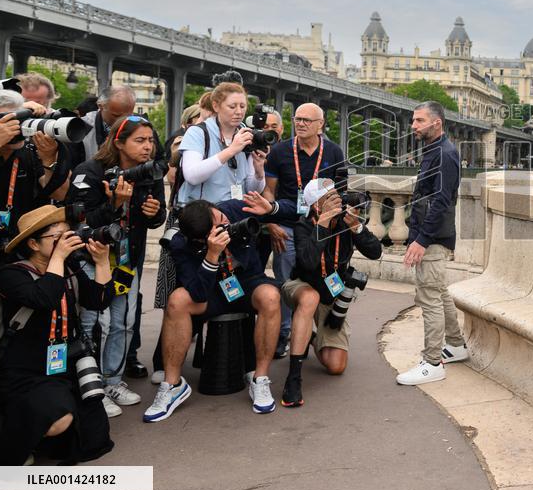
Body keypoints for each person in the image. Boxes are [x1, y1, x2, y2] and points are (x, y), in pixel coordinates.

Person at [142, 194, 287, 422]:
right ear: (199, 239)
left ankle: (260, 379)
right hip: (211, 291)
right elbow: (197, 293)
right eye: (216, 228)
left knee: (270, 296)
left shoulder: (235, 208)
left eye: (220, 217)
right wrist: (211, 255)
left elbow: (292, 212)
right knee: (177, 300)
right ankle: (172, 385)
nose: (224, 225)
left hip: (246, 283)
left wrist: (271, 210)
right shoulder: (181, 242)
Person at [0, 205, 115, 465]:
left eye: (67, 233)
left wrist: (102, 261)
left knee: (95, 436)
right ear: (34, 244)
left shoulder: (69, 269)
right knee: (60, 418)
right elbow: (45, 298)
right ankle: (10, 435)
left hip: (62, 365)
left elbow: (100, 299)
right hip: (25, 370)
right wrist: (58, 258)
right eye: (57, 237)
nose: (66, 240)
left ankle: (38, 435)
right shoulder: (11, 274)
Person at [66, 115, 166, 416]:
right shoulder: (90, 172)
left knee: (123, 324)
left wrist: (154, 212)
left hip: (127, 262)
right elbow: (79, 222)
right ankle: (90, 384)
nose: (148, 147)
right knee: (94, 323)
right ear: (119, 142)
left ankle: (112, 380)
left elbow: (156, 221)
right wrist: (115, 205)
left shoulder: (150, 174)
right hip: (92, 259)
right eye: (140, 140)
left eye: (150, 140)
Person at [280, 180, 381, 406]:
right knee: (310, 297)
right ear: (316, 205)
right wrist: (323, 224)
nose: (338, 201)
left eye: (337, 195)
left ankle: (309, 336)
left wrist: (357, 227)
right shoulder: (303, 226)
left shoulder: (346, 224)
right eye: (331, 198)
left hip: (330, 296)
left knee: (336, 366)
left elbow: (375, 252)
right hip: (301, 286)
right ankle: (293, 378)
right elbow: (307, 263)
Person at [261, 103, 345, 358]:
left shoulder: (333, 151)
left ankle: (318, 332)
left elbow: (340, 193)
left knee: (319, 276)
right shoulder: (279, 151)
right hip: (285, 226)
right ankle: (285, 333)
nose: (301, 124)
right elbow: (268, 191)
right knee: (287, 281)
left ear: (321, 125)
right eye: (298, 119)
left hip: (319, 228)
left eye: (308, 120)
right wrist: (270, 223)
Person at [397, 101, 467, 385]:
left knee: (429, 299)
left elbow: (441, 201)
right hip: (431, 235)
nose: (413, 125)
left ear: (436, 123)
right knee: (439, 292)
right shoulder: (436, 150)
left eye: (419, 121)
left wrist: (421, 240)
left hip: (433, 238)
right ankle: (457, 345)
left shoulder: (444, 154)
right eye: (414, 120)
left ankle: (432, 361)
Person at [0, 90, 71, 264]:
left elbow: (60, 194)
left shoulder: (29, 150)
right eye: (5, 120)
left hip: (23, 251)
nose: (15, 127)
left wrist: (50, 158)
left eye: (18, 119)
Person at [176, 82, 266, 205]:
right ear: (216, 106)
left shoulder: (246, 134)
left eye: (243, 106)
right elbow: (192, 176)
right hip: (206, 214)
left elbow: (252, 190)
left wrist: (259, 172)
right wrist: (231, 151)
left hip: (235, 214)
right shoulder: (198, 132)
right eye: (232, 106)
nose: (239, 112)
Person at [72, 85, 137, 168]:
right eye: (116, 115)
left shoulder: (142, 127)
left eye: (129, 116)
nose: (122, 121)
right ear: (100, 106)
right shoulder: (81, 128)